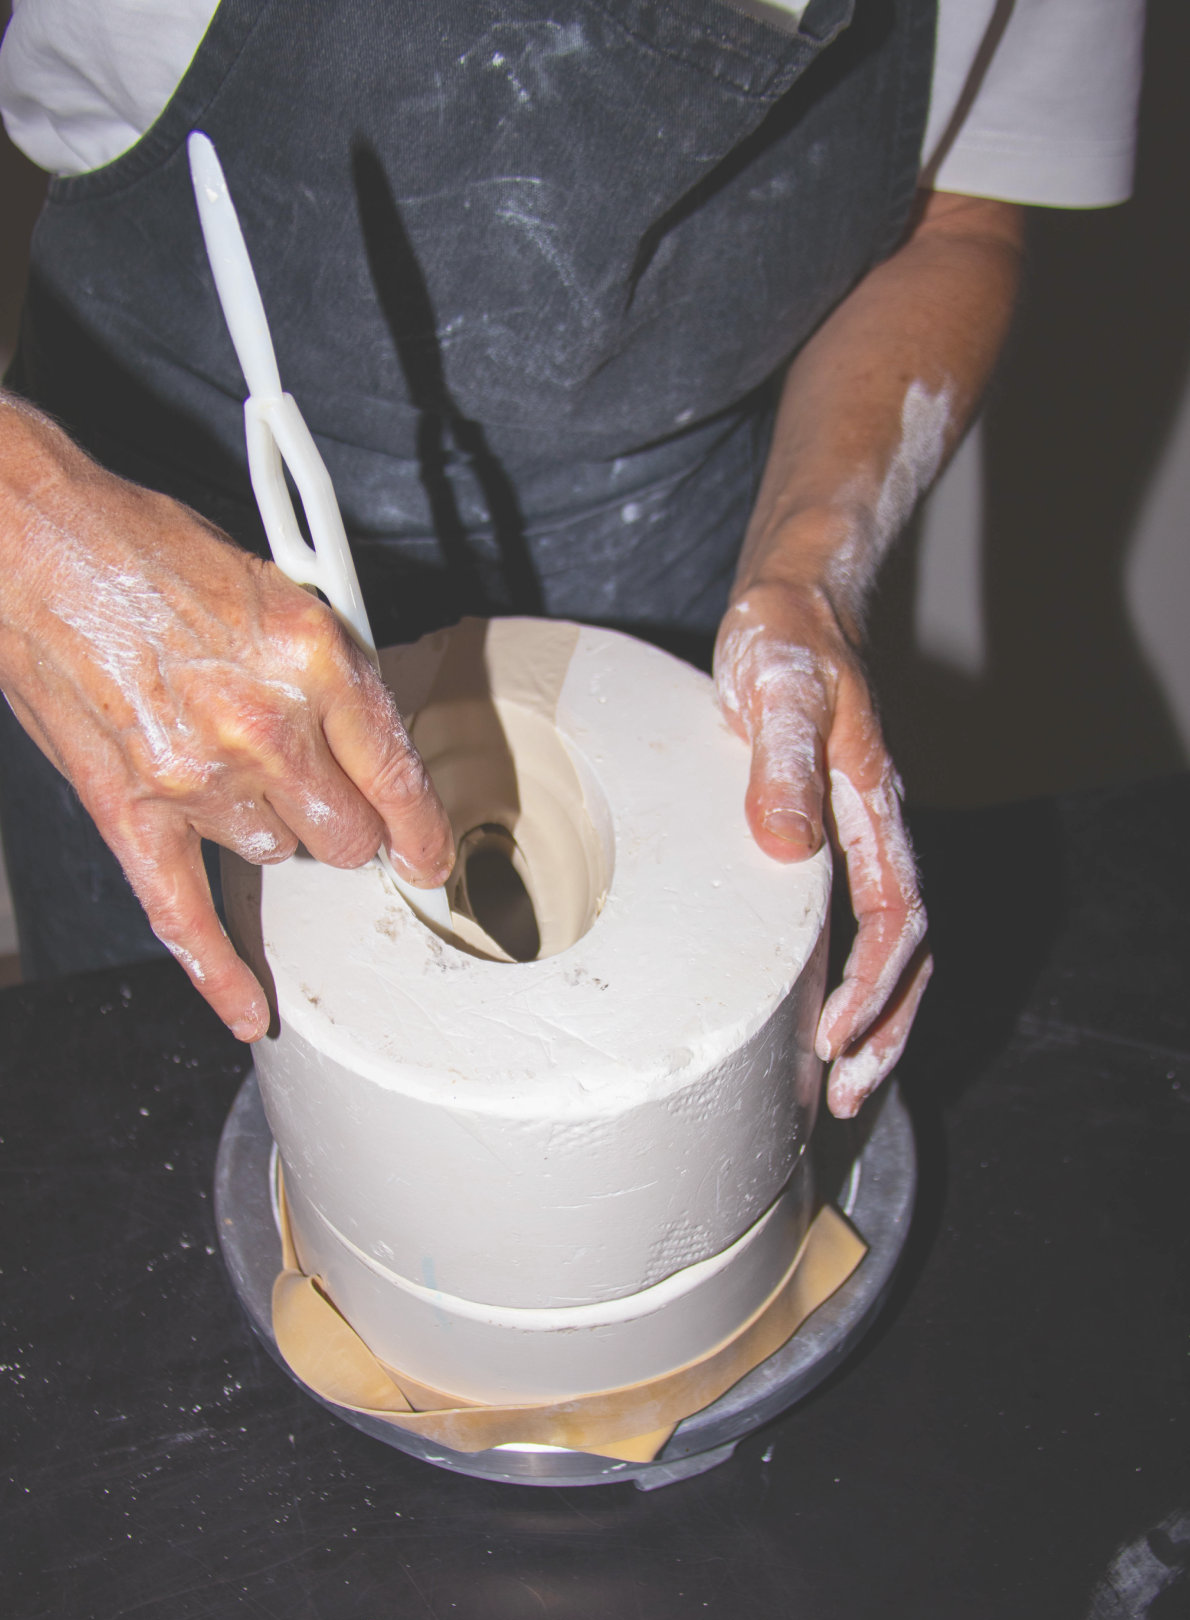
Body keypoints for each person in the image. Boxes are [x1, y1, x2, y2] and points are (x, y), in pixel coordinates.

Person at [0, 0, 1143, 1115]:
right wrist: (27, 533)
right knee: (146, 1116)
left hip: (659, 540)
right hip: (141, 544)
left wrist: (808, 566)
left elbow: (959, 217)